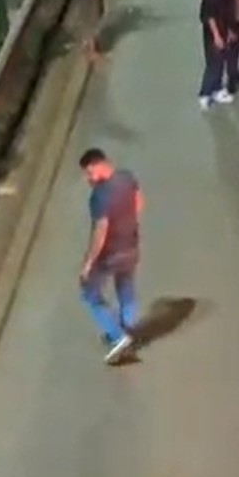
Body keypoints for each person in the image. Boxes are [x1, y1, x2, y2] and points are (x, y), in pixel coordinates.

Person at [78, 148, 145, 366]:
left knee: (90, 294)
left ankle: (117, 336)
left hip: (109, 253)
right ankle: (127, 332)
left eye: (89, 172)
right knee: (126, 288)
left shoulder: (99, 196)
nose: (88, 179)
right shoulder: (127, 178)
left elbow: (101, 230)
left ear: (99, 165)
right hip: (131, 245)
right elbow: (139, 203)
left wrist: (88, 263)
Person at [198, 0, 239, 109]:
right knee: (214, 62)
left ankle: (216, 89)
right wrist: (217, 35)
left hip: (224, 27)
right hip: (215, 30)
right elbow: (208, 14)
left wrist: (229, 30)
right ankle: (205, 93)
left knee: (220, 60)